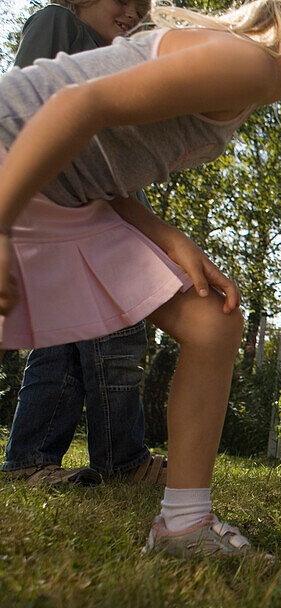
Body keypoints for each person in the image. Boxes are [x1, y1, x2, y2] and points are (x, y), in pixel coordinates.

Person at [0, 0, 281, 556]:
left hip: (69, 194)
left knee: (213, 323)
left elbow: (103, 166)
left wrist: (167, 237)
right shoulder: (247, 66)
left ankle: (183, 524)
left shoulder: (250, 84)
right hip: (14, 157)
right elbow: (78, 103)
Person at [2, 0, 168, 491]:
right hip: (75, 210)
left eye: (143, 6)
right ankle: (123, 459)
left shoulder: (122, 59)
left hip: (104, 206)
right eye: (124, 0)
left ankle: (30, 460)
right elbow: (25, 111)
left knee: (62, 341)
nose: (133, 13)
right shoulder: (60, 23)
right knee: (116, 331)